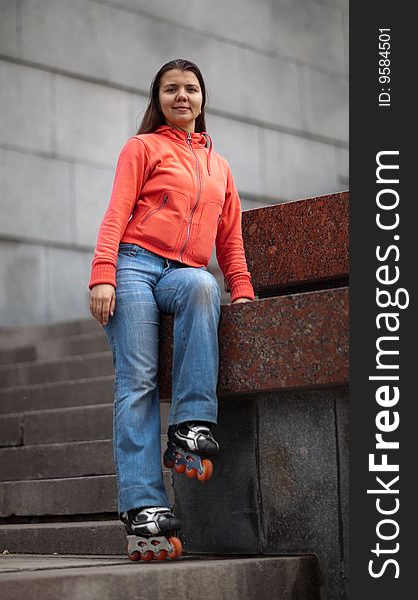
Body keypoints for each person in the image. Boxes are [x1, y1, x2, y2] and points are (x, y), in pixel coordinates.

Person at [89, 58, 255, 560]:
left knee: (205, 286)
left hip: (182, 271)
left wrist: (242, 289)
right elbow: (117, 211)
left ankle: (189, 427)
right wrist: (103, 273)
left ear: (203, 99)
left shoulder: (218, 167)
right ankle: (143, 504)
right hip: (135, 265)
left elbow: (230, 240)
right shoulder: (142, 148)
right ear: (157, 98)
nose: (181, 97)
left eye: (190, 89)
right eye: (171, 89)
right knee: (137, 379)